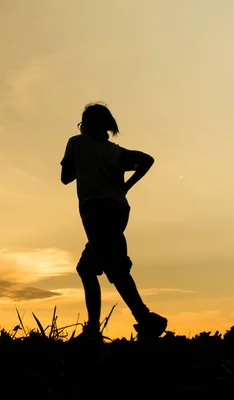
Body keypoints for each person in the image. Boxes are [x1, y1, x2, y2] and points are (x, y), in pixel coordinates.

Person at [60, 102, 167, 341]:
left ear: (86, 124)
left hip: (96, 209)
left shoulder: (76, 143)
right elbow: (147, 159)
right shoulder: (116, 152)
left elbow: (65, 177)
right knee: (87, 268)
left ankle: (145, 319)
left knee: (116, 268)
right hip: (118, 209)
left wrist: (84, 164)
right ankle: (93, 329)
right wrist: (125, 187)